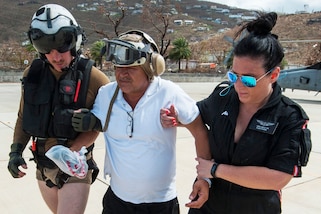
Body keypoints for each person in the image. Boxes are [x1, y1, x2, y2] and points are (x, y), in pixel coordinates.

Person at [161, 12, 312, 214]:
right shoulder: (223, 97)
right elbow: (196, 115)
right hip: (208, 205)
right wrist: (175, 117)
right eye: (234, 76)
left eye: (249, 79)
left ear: (274, 75)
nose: (239, 85)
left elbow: (279, 177)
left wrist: (215, 170)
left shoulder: (290, 117)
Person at [71, 29, 211, 213]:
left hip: (161, 204)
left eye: (131, 68)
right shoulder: (106, 94)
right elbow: (95, 128)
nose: (122, 74)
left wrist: (204, 178)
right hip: (117, 202)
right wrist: (72, 151)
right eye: (118, 67)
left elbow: (200, 131)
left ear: (150, 67)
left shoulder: (169, 93)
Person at [7, 4, 110, 214]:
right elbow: (23, 116)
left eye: (61, 48)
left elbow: (103, 124)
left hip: (74, 166)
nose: (56, 57)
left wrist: (91, 124)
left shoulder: (96, 78)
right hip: (43, 165)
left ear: (74, 43)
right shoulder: (32, 74)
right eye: (47, 50)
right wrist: (15, 151)